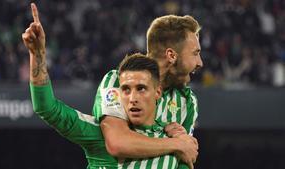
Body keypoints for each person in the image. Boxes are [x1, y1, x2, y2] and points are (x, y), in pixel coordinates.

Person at [22, 3, 197, 168]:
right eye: (125, 90)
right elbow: (47, 108)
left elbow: (186, 159)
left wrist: (179, 141)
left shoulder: (174, 134)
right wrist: (37, 55)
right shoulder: (100, 136)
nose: (132, 98)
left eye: (141, 89)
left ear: (158, 92)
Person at [92, 10, 203, 169]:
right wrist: (176, 143)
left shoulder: (187, 100)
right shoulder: (117, 81)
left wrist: (181, 146)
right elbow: (117, 143)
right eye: (195, 53)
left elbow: (186, 157)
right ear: (171, 55)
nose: (200, 63)